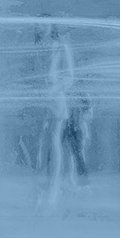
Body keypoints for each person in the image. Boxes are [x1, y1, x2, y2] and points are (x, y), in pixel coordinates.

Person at [37, 24, 90, 210]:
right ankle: (48, 188)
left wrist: (55, 89)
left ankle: (55, 188)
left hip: (56, 102)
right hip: (44, 101)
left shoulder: (60, 47)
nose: (39, 28)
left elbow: (70, 77)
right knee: (46, 147)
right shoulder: (40, 48)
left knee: (57, 145)